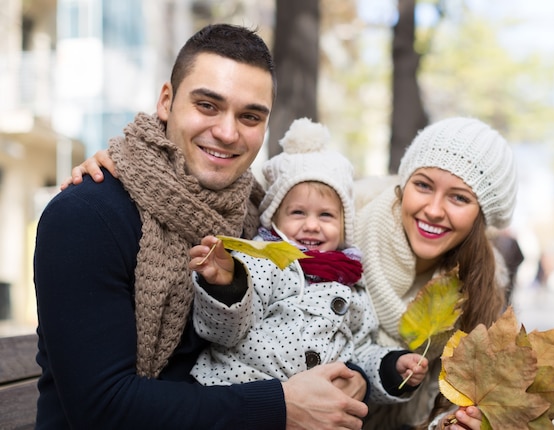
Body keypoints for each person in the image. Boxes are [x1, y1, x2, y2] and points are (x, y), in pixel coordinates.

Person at [34, 23, 369, 430]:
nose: (227, 133)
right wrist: (281, 406)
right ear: (166, 101)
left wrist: (356, 381)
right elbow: (102, 408)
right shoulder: (87, 215)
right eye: (208, 105)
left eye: (249, 116)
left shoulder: (258, 216)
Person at [189, 118, 428, 403]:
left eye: (325, 215)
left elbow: (360, 349)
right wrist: (226, 284)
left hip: (318, 410)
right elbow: (227, 332)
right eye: (298, 213)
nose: (312, 225)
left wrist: (391, 368)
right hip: (241, 394)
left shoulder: (351, 284)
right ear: (275, 219)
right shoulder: (262, 264)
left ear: (343, 226)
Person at [355, 117, 517, 430]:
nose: (433, 209)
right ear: (404, 184)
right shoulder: (339, 231)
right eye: (424, 185)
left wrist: (448, 423)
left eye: (459, 197)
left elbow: (453, 402)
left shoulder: (480, 290)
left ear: (480, 217)